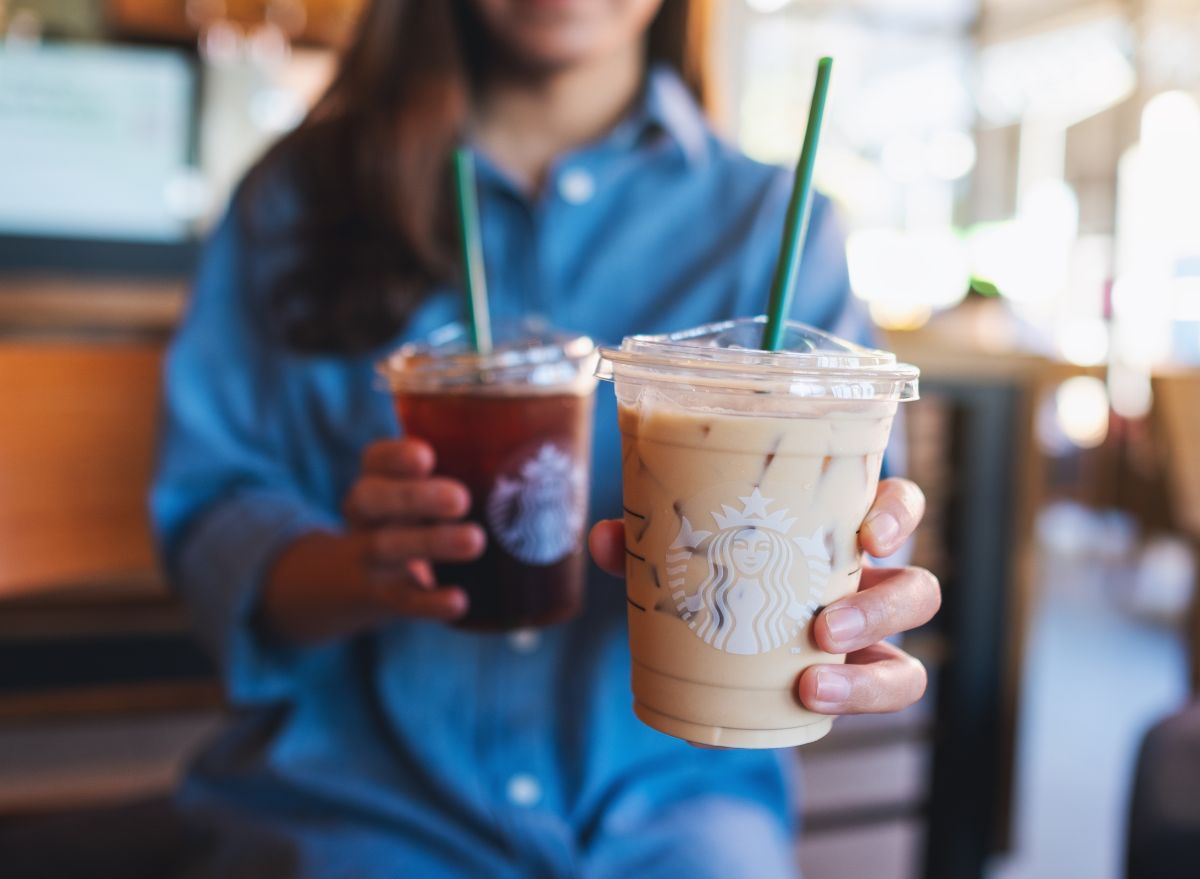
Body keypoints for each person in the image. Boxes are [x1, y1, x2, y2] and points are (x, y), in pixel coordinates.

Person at [151, 1, 940, 876]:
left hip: (676, 800)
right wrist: (358, 567)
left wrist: (859, 594)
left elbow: (851, 544)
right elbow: (212, 510)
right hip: (361, 798)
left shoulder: (773, 220)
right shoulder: (299, 198)